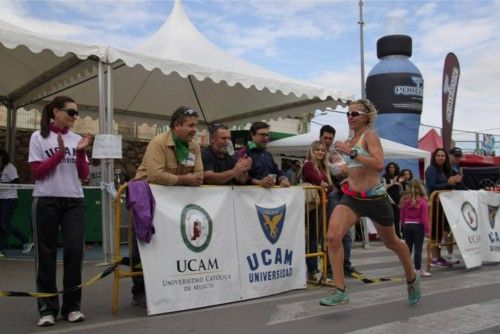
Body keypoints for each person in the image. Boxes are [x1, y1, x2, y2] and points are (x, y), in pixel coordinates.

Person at [319, 99, 420, 306]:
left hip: (375, 198)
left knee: (392, 243)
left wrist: (351, 152)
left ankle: (412, 277)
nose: (350, 117)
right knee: (332, 236)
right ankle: (340, 289)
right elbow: (354, 168)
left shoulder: (369, 136)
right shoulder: (350, 138)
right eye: (348, 114)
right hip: (353, 198)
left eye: (354, 114)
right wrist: (341, 169)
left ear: (366, 116)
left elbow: (378, 164)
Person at [28, 96, 92, 326]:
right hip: (46, 200)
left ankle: (72, 307)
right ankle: (47, 309)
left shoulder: (76, 139)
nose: (75, 117)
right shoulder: (39, 137)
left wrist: (81, 153)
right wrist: (59, 154)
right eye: (70, 112)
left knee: (75, 252)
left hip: (74, 200)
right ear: (55, 112)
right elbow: (37, 173)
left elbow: (84, 174)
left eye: (77, 113)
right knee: (45, 255)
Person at [133, 106, 203, 307]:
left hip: (175, 202)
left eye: (195, 126)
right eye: (190, 126)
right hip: (146, 200)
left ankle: (171, 286)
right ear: (176, 125)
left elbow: (199, 175)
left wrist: (184, 180)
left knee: (173, 244)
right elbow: (155, 175)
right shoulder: (158, 142)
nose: (194, 130)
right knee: (144, 243)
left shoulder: (195, 147)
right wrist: (183, 179)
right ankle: (139, 289)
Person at [319, 125, 353, 276]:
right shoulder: (317, 151)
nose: (327, 140)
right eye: (325, 137)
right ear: (320, 137)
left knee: (347, 232)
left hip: (344, 192)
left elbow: (347, 168)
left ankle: (346, 265)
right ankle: (330, 267)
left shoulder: (336, 152)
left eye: (330, 138)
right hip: (331, 194)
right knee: (331, 232)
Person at [425, 148, 463, 266]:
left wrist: (455, 182)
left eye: (443, 155)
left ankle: (441, 255)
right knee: (437, 230)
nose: (441, 157)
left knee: (445, 229)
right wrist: (448, 183)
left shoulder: (445, 169)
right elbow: (431, 186)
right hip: (436, 203)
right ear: (434, 157)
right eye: (438, 155)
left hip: (446, 203)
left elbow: (452, 182)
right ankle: (435, 257)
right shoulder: (431, 169)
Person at [301, 141, 333, 280]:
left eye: (322, 150)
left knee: (316, 237)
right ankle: (312, 269)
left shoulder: (321, 167)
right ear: (312, 151)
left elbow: (330, 187)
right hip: (310, 205)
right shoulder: (308, 165)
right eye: (317, 150)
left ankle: (313, 268)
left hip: (320, 205)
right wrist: (323, 185)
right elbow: (320, 183)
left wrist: (324, 185)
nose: (320, 152)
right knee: (312, 237)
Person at [0, 149, 33, 257]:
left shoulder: (9, 167)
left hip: (10, 199)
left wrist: (2, 183)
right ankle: (0, 249)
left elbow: (16, 181)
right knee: (1, 225)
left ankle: (26, 240)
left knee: (5, 224)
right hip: (1, 198)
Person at [236, 121, 290, 188]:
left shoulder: (267, 154)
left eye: (267, 135)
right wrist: (259, 182)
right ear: (252, 135)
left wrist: (283, 179)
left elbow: (276, 171)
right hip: (248, 196)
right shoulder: (244, 152)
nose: (266, 138)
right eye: (262, 134)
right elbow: (237, 176)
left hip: (267, 196)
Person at [400, 180, 431, 277]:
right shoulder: (423, 201)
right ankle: (418, 269)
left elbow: (402, 216)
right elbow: (424, 218)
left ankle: (408, 269)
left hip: (407, 225)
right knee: (418, 249)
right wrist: (427, 231)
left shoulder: (404, 200)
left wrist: (403, 226)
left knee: (408, 248)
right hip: (418, 226)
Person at [382, 162, 403, 238]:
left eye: (393, 167)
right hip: (389, 200)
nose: (392, 169)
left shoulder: (398, 177)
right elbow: (384, 188)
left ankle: (398, 235)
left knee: (397, 218)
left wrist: (400, 185)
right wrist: (393, 183)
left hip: (397, 200)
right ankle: (389, 235)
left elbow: (401, 189)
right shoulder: (385, 176)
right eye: (390, 167)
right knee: (390, 218)